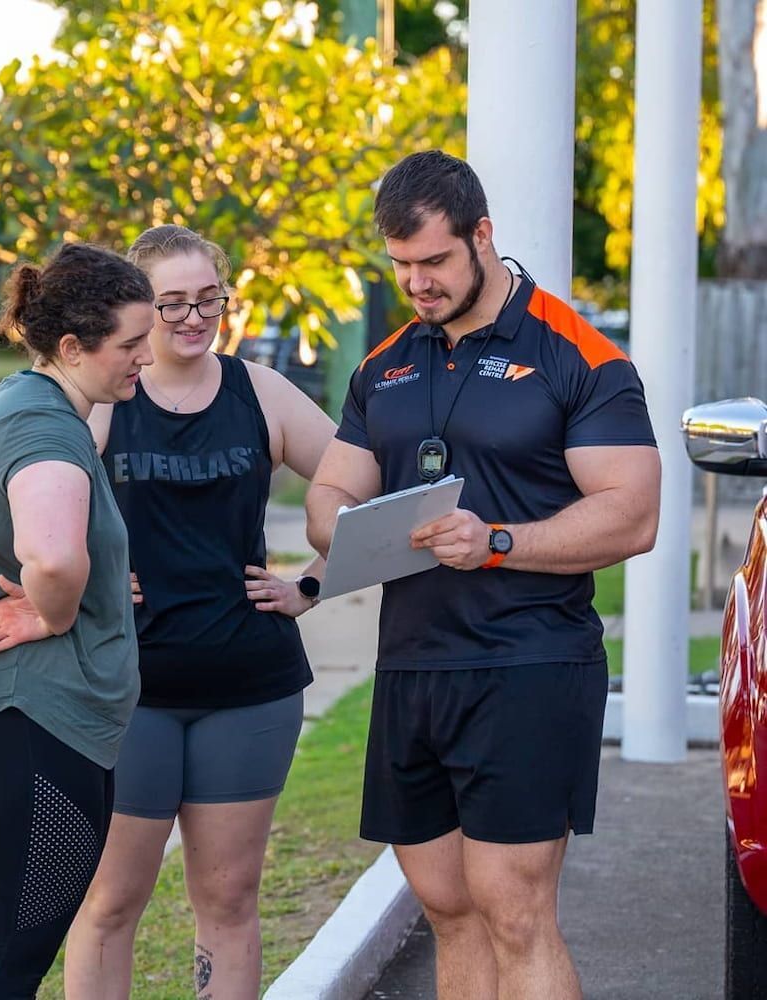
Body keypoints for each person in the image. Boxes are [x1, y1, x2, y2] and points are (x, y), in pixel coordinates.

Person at [305, 150, 661, 1000]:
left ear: (483, 236)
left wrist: (497, 540)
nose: (417, 284)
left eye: (434, 262)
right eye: (401, 267)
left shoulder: (579, 355)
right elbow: (329, 492)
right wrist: (349, 532)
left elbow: (634, 512)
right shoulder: (385, 362)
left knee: (513, 910)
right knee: (448, 910)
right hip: (414, 667)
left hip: (528, 663)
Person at [61, 225, 336, 1000]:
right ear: (138, 307)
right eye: (170, 302)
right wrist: (94, 579)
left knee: (228, 902)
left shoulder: (262, 393)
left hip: (249, 687)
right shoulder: (110, 397)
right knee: (111, 903)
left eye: (207, 299)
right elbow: (37, 518)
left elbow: (367, 492)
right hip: (129, 691)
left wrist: (311, 584)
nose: (192, 317)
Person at [0, 242, 155, 999]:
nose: (145, 357)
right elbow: (52, 558)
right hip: (24, 733)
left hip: (30, 734)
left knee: (7, 973)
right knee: (1, 978)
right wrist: (52, 613)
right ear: (70, 347)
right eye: (130, 343)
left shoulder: (41, 405)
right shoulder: (46, 428)